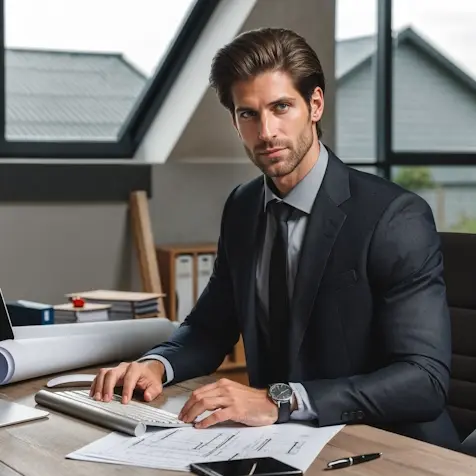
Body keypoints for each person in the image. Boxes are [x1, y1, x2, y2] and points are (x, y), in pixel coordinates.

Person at [90, 27, 459, 449]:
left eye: (281, 107)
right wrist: (156, 365)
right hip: (282, 443)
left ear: (315, 105)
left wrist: (278, 400)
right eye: (248, 114)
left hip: (390, 447)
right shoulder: (243, 207)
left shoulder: (394, 217)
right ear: (234, 121)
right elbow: (210, 327)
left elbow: (424, 381)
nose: (266, 131)